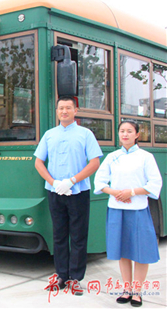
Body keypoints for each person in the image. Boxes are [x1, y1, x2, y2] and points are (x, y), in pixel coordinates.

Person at [34, 96, 102, 295]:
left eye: (68, 108)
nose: (64, 111)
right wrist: (54, 182)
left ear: (75, 110)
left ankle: (76, 278)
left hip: (78, 191)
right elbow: (38, 162)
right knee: (59, 234)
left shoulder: (85, 134)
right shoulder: (49, 135)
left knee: (79, 235)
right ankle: (61, 275)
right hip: (55, 191)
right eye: (61, 108)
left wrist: (72, 181)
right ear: (57, 111)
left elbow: (94, 162)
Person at [94, 120, 162, 307]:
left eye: (129, 131)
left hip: (138, 210)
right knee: (123, 252)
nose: (125, 134)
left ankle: (138, 292)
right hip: (117, 210)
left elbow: (155, 184)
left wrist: (131, 192)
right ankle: (126, 290)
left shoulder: (146, 157)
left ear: (137, 134)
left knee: (140, 252)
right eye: (122, 131)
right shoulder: (112, 157)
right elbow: (99, 182)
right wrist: (115, 193)